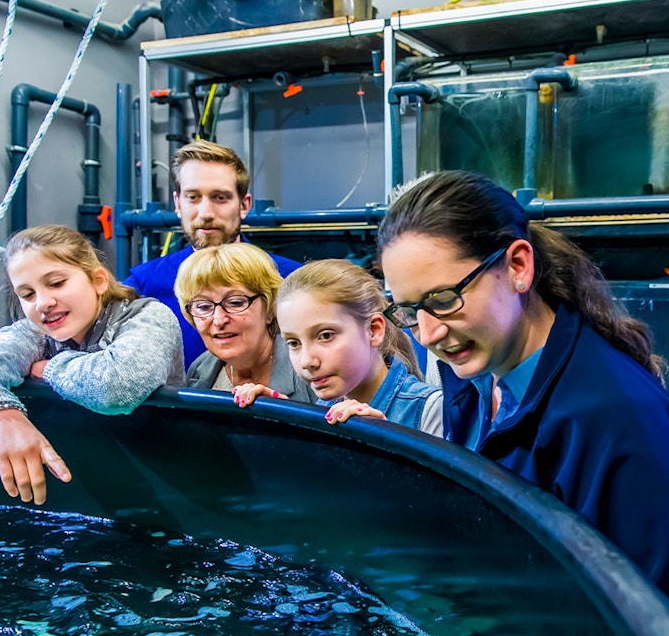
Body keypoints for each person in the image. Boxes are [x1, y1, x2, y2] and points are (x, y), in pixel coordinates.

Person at [376, 170, 669, 636]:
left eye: (443, 299)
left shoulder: (613, 420)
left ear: (518, 266)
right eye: (411, 310)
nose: (429, 333)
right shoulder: (474, 378)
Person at [0, 225, 185, 506]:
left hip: (171, 491)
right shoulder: (34, 334)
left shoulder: (149, 316)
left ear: (98, 280)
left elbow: (116, 386)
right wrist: (0, 416)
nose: (43, 303)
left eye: (56, 283)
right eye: (27, 294)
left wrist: (47, 369)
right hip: (86, 494)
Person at [125, 139, 301, 367]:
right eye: (193, 197)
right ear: (178, 204)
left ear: (244, 205)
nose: (206, 213)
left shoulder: (291, 281)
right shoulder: (145, 284)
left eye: (220, 197)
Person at [259, 258, 442, 436]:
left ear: (374, 329)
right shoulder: (320, 411)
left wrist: (387, 441)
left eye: (326, 336)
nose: (307, 361)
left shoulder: (431, 410)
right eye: (294, 343)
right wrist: (280, 432)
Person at [174, 242, 316, 405]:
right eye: (204, 307)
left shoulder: (307, 367)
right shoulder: (199, 370)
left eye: (235, 303)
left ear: (270, 308)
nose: (219, 320)